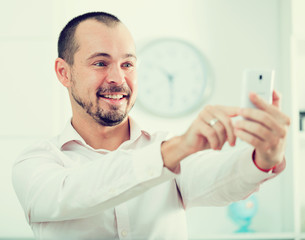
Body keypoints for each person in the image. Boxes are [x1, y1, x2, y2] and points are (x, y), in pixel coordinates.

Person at [12, 11, 290, 240]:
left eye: (128, 64)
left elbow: (220, 178)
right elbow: (74, 191)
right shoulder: (36, 163)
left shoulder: (173, 148)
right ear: (64, 72)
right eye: (100, 63)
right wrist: (170, 152)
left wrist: (263, 158)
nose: (117, 78)